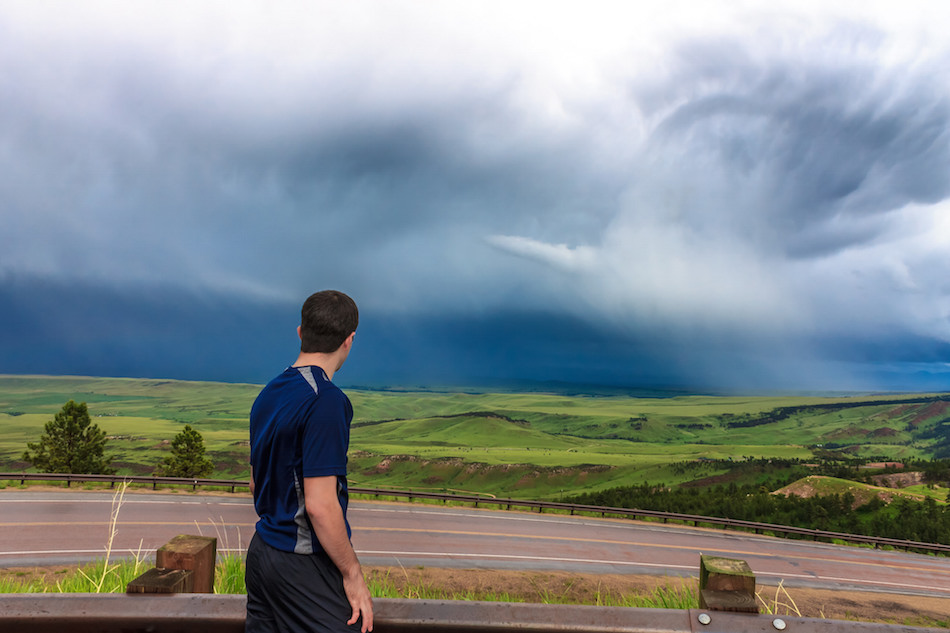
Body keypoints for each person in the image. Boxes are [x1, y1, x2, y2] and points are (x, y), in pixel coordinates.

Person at [246, 290, 373, 633]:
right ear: (349, 340)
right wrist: (352, 573)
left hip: (262, 552)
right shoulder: (326, 402)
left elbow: (256, 482)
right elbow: (319, 505)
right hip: (301, 560)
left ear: (300, 332)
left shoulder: (269, 393)